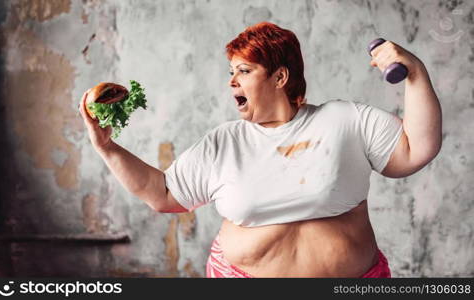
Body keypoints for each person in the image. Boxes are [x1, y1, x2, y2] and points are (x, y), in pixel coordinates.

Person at [79, 22, 442, 278]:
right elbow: (164, 195)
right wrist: (107, 147)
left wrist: (415, 72)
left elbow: (418, 149)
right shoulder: (225, 141)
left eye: (243, 70)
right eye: (231, 71)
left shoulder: (347, 119)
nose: (231, 81)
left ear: (279, 77)